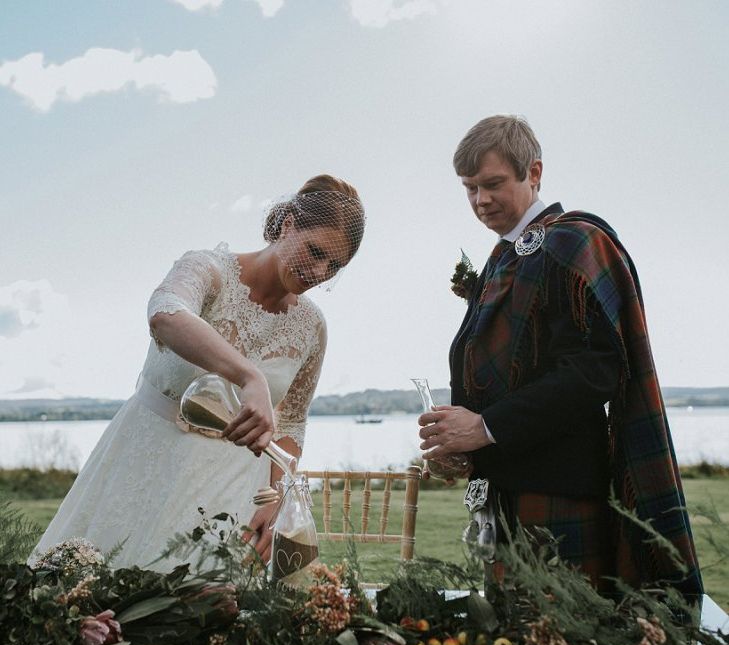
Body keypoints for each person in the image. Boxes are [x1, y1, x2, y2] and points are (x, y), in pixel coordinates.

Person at [418, 115, 702, 598]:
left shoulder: (573, 241)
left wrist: (484, 428)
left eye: (492, 184)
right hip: (505, 492)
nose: (480, 200)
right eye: (469, 188)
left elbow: (596, 371)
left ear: (534, 172)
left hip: (558, 495)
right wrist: (462, 443)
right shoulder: (503, 256)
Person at [31, 174, 365, 570]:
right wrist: (249, 377)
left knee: (208, 615)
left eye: (334, 265)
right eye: (315, 251)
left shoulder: (311, 326)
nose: (320, 271)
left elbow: (291, 422)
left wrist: (277, 498)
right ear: (289, 224)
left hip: (234, 490)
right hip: (145, 467)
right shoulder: (208, 269)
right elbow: (165, 313)